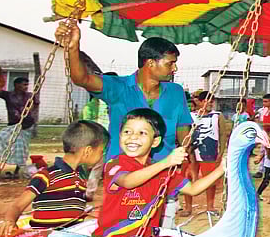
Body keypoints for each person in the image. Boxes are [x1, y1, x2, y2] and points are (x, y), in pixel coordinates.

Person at [58, 23, 193, 169]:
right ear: (151, 63)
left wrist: (189, 163)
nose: (175, 69)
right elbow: (82, 79)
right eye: (170, 63)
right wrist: (72, 49)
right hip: (122, 172)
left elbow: (182, 130)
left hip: (163, 172)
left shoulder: (176, 92)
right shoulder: (118, 87)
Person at [92, 108, 224, 237]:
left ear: (155, 142)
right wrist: (166, 162)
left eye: (142, 133)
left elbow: (193, 189)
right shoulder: (115, 164)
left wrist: (221, 169)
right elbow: (128, 181)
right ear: (120, 136)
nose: (133, 137)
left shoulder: (162, 172)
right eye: (127, 132)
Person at [0, 120, 108, 237]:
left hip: (71, 231)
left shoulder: (80, 176)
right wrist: (9, 221)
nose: (102, 156)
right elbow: (17, 206)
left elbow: (73, 213)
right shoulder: (46, 175)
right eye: (101, 152)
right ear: (88, 151)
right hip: (47, 235)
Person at [184, 93, 230, 215]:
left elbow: (222, 134)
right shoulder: (191, 116)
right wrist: (188, 151)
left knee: (210, 180)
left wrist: (221, 151)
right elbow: (186, 134)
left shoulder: (217, 116)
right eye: (206, 101)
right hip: (192, 153)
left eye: (211, 101)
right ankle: (188, 208)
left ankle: (210, 206)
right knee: (188, 179)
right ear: (199, 102)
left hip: (210, 152)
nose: (209, 104)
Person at [0, 76, 39, 179]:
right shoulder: (8, 95)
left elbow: (34, 106)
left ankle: (17, 171)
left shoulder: (30, 96)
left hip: (26, 125)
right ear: (16, 85)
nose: (26, 87)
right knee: (2, 136)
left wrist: (29, 111)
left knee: (21, 147)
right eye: (24, 85)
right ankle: (6, 161)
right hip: (13, 124)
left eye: (27, 85)